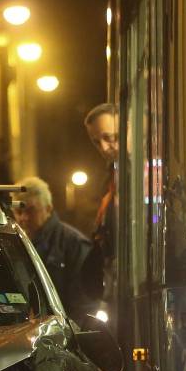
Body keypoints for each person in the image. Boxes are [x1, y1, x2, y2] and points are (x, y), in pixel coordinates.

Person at [14, 176, 98, 316]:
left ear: (48, 208)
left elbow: (84, 304)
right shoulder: (14, 244)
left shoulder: (73, 244)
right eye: (19, 211)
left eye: (31, 211)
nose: (24, 218)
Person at [82, 103, 118, 304]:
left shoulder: (145, 172)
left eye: (109, 137)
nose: (104, 148)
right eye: (96, 142)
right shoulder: (111, 177)